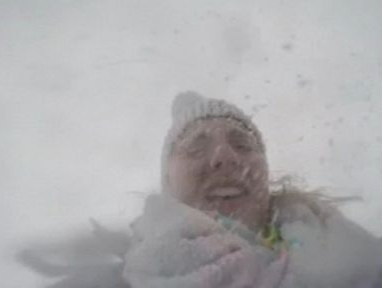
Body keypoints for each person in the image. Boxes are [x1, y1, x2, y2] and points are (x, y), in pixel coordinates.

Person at [19, 91, 382, 288]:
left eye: (242, 143)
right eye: (196, 146)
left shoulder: (360, 260)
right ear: (167, 182)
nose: (224, 156)